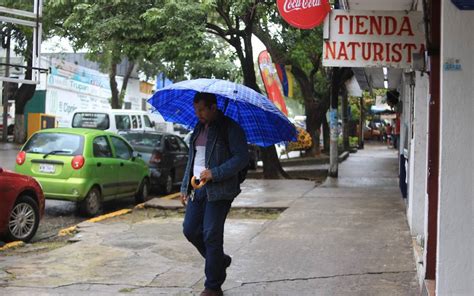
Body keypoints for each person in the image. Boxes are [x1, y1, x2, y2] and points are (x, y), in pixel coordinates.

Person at [180, 92, 249, 296]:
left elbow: (241, 158)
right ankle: (220, 261)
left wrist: (215, 173)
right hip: (197, 189)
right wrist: (185, 187)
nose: (198, 114)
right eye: (196, 110)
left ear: (213, 107)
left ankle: (213, 286)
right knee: (190, 230)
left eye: (202, 110)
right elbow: (192, 159)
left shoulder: (231, 128)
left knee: (211, 234)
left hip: (219, 190)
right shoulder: (198, 128)